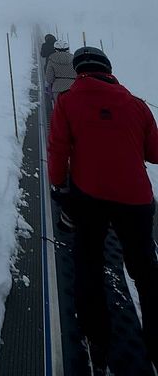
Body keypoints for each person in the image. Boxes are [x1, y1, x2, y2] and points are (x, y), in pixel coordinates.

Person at [48, 46, 158, 374]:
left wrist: (58, 187)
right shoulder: (137, 105)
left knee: (89, 266)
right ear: (109, 70)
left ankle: (96, 340)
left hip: (89, 198)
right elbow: (154, 153)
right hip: (136, 201)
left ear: (80, 69)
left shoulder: (67, 101)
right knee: (146, 271)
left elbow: (58, 149)